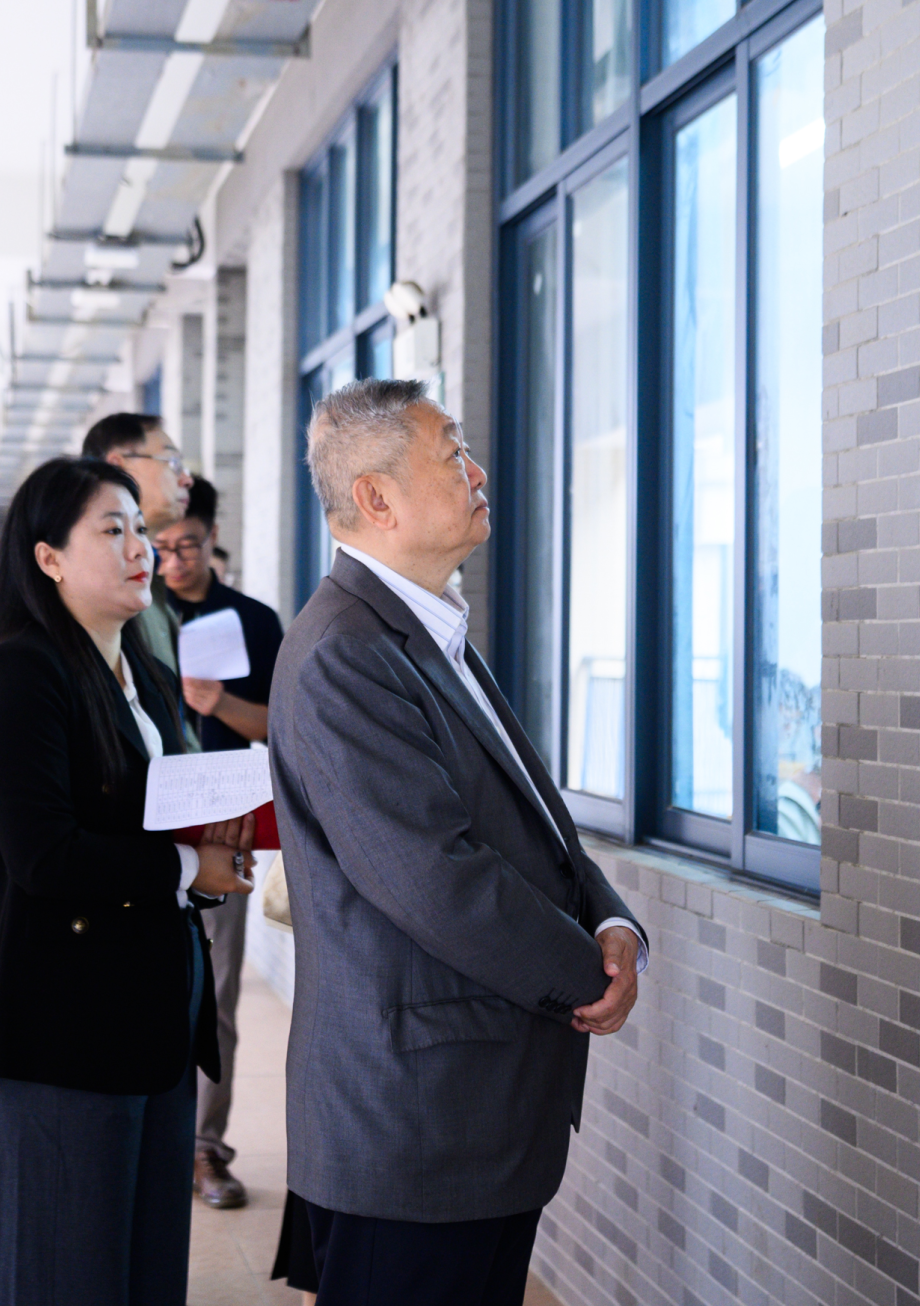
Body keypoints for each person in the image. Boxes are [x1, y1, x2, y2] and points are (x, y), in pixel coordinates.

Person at [269, 379, 646, 1306]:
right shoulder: (346, 653)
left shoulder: (424, 631)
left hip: (469, 1115)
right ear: (377, 498)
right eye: (454, 454)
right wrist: (587, 970)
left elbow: (534, 819)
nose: (478, 474)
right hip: (414, 1126)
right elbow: (435, 879)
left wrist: (613, 922)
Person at [0, 455, 256, 1304]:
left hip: (154, 1021)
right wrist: (184, 865)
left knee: (142, 1272)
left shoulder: (143, 675)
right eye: (113, 530)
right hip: (64, 1031)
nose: (141, 548)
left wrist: (211, 859)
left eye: (141, 529)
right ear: (49, 557)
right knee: (66, 1274)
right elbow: (45, 856)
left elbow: (151, 820)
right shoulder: (21, 674)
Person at [152, 476, 285, 1211]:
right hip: (144, 826)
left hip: (223, 827)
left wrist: (218, 701)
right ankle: (148, 1139)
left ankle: (205, 1146)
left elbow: (286, 725)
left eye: (189, 546)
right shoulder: (136, 612)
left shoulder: (253, 622)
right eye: (162, 547)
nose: (174, 561)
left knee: (216, 994)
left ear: (212, 541)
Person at [82, 412, 197, 700]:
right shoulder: (94, 588)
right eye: (172, 462)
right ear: (118, 466)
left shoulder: (150, 586)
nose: (186, 479)